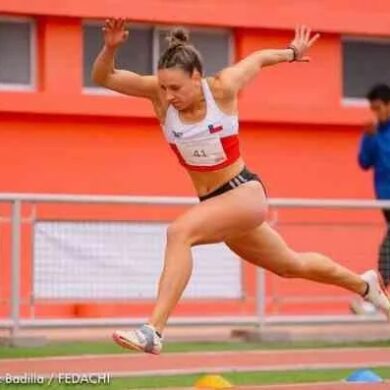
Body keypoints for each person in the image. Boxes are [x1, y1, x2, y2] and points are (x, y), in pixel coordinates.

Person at [92, 18, 390, 354]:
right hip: (217, 205)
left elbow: (258, 58)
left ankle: (153, 330)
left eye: (176, 88)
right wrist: (111, 47)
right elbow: (104, 77)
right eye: (163, 87)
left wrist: (292, 52)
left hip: (243, 192)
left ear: (195, 77)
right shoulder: (159, 97)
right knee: (290, 265)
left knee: (180, 232)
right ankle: (365, 285)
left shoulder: (222, 87)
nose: (168, 95)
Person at [352, 84, 390, 315]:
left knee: (387, 248)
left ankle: (373, 299)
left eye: (378, 108)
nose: (375, 114)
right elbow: (365, 162)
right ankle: (375, 299)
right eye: (372, 109)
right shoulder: (375, 133)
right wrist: (368, 138)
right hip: (384, 200)